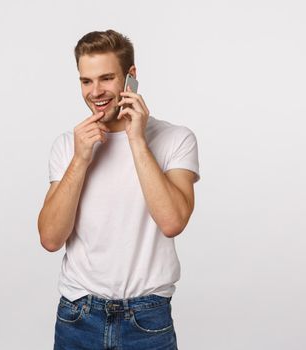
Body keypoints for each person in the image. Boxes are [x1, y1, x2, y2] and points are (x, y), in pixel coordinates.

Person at [37, 29, 200, 350]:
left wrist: (136, 138)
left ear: (131, 77)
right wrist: (80, 160)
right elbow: (51, 239)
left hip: (147, 316)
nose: (95, 92)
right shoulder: (68, 145)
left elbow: (172, 222)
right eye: (86, 81)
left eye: (106, 78)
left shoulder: (176, 139)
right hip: (78, 315)